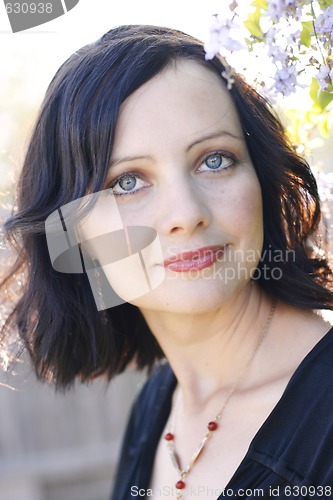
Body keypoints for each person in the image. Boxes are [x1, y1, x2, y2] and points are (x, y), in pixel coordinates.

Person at [1, 24, 333, 499]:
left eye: (215, 160)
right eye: (128, 182)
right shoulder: (158, 408)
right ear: (75, 236)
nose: (186, 214)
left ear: (261, 177)